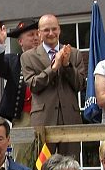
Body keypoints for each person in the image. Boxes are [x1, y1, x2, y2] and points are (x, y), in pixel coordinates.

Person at [20, 14, 87, 157]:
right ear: (39, 33)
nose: (51, 33)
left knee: (70, 165)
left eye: (54, 29)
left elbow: (81, 85)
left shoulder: (74, 54)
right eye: (46, 30)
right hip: (43, 120)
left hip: (70, 118)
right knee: (42, 167)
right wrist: (54, 68)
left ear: (59, 30)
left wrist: (67, 65)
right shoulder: (28, 57)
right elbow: (33, 85)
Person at [0, 18, 40, 165]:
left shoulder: (49, 58)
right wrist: (0, 44)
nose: (36, 37)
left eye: (37, 33)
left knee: (46, 160)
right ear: (20, 41)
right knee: (22, 159)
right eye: (31, 34)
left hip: (46, 116)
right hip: (23, 117)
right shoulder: (13, 61)